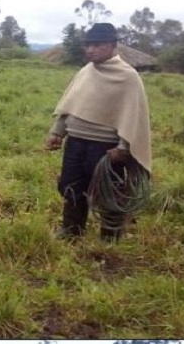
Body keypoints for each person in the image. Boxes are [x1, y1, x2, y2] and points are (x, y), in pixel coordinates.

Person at [45, 22, 151, 242]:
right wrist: (57, 132)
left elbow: (132, 115)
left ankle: (110, 237)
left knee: (107, 192)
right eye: (88, 45)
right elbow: (70, 105)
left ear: (113, 45)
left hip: (105, 148)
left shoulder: (128, 76)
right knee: (71, 185)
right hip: (75, 141)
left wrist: (123, 147)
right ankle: (72, 230)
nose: (90, 50)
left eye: (97, 45)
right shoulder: (86, 71)